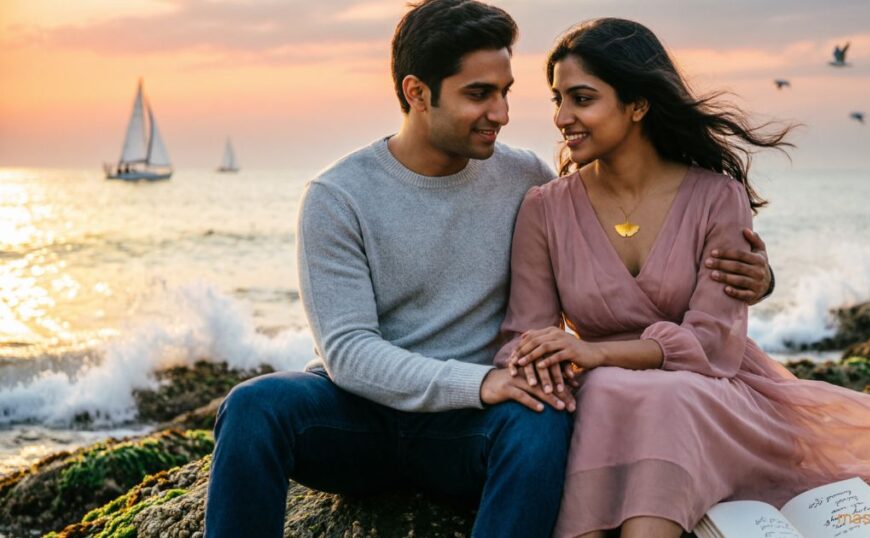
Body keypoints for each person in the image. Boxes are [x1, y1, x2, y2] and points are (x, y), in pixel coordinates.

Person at [204, 2, 773, 537]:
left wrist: (757, 279)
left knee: (541, 419)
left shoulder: (526, 179)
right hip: (360, 420)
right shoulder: (338, 196)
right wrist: (478, 382)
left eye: (505, 92)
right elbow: (349, 352)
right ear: (417, 92)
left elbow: (610, 242)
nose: (500, 113)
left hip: (471, 430)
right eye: (479, 94)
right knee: (254, 406)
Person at [496, 18, 870, 538]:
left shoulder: (717, 197)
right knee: (608, 389)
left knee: (654, 394)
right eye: (558, 99)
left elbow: (713, 344)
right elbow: (523, 339)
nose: (562, 117)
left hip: (710, 393)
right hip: (607, 400)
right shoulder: (545, 209)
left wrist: (597, 353)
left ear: (638, 105)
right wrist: (567, 362)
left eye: (582, 99)